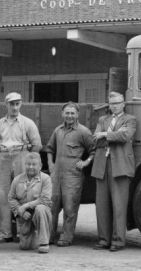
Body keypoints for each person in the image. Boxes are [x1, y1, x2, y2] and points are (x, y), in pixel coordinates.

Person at [0, 92, 42, 243]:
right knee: (3, 195)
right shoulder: (0, 123)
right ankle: (5, 233)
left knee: (22, 193)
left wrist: (28, 161)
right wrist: (4, 154)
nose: (14, 107)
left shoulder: (27, 123)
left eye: (17, 104)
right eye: (11, 104)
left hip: (22, 156)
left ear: (21, 105)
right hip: (4, 158)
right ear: (6, 105)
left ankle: (23, 232)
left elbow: (37, 145)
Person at [92, 91, 137, 252]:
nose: (114, 106)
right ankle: (104, 239)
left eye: (117, 103)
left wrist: (105, 134)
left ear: (123, 104)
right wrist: (110, 136)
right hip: (101, 165)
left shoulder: (130, 119)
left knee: (119, 205)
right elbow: (95, 137)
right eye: (112, 104)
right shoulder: (102, 119)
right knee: (101, 205)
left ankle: (118, 241)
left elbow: (125, 135)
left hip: (120, 166)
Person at [46, 102, 94, 246]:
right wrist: (50, 164)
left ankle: (66, 237)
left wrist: (86, 162)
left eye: (72, 113)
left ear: (77, 115)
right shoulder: (58, 130)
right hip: (56, 175)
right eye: (67, 113)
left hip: (73, 176)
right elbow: (49, 149)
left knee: (70, 207)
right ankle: (48, 236)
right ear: (62, 114)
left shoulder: (83, 132)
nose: (70, 116)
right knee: (52, 206)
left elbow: (94, 150)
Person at [8, 152, 52, 254]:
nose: (30, 167)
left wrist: (26, 205)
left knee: (40, 208)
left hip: (41, 214)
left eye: (34, 164)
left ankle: (44, 242)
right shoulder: (17, 179)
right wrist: (21, 212)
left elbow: (45, 199)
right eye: (28, 164)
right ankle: (34, 236)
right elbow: (11, 198)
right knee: (25, 246)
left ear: (40, 166)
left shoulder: (46, 179)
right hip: (25, 216)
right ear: (25, 165)